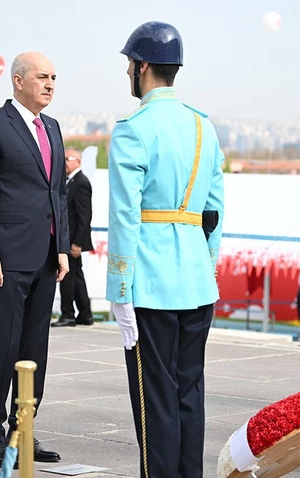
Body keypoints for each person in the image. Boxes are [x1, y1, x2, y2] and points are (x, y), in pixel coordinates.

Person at [107, 22, 225, 477]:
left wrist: (119, 288)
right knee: (188, 393)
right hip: (197, 279)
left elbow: (124, 217)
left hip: (151, 283)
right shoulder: (202, 127)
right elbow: (214, 212)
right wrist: (205, 266)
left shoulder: (133, 129)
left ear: (141, 67)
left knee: (154, 398)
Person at [0, 51, 69, 468]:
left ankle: (22, 428)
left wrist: (61, 246)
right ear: (18, 80)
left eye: (54, 78)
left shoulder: (54, 128)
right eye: (42, 77)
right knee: (4, 347)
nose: (50, 84)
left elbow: (57, 193)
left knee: (35, 350)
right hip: (6, 258)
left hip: (45, 257)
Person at [53, 147, 94, 327]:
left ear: (78, 160)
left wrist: (77, 242)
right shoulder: (69, 181)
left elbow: (85, 216)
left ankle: (68, 313)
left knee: (68, 278)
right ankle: (85, 314)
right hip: (69, 239)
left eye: (68, 158)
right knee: (76, 276)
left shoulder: (81, 182)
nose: (65, 162)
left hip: (73, 241)